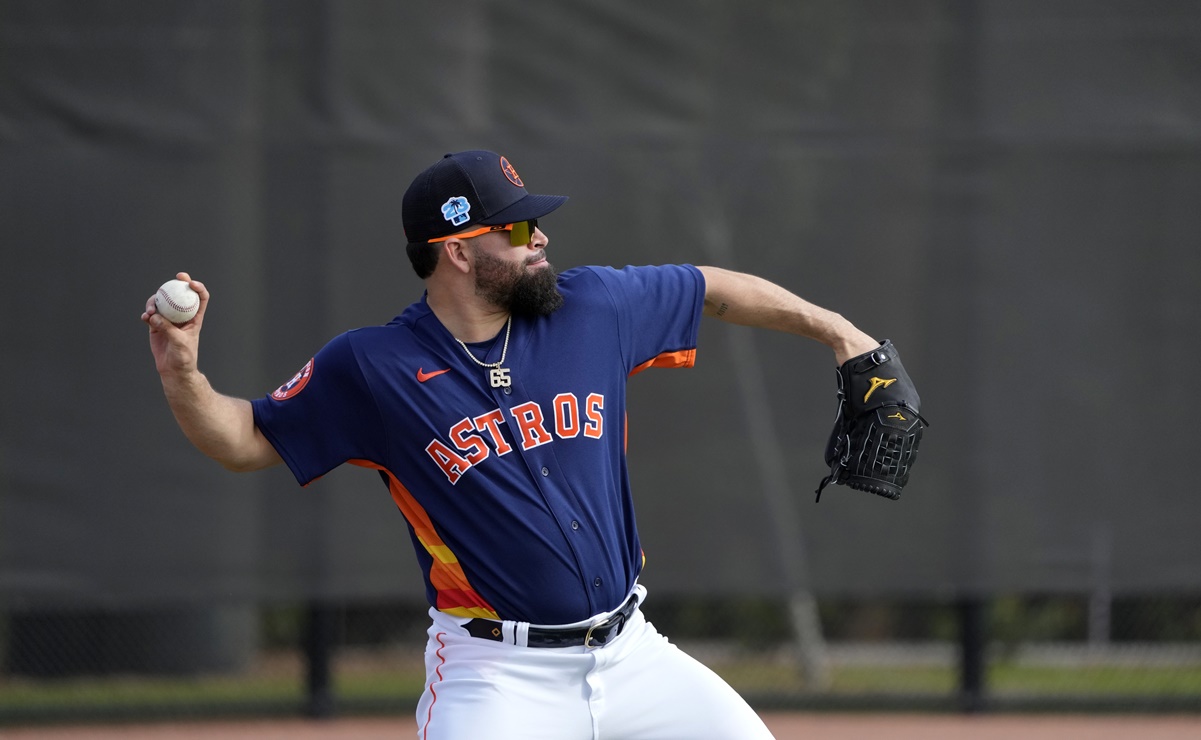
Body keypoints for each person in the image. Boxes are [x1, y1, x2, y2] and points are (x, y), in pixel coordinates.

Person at [143, 150, 879, 739]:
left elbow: (713, 288)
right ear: (458, 251)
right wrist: (183, 373)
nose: (542, 239)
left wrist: (841, 334)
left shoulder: (591, 308)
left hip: (631, 652)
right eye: (520, 229)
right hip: (495, 675)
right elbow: (244, 438)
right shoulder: (373, 368)